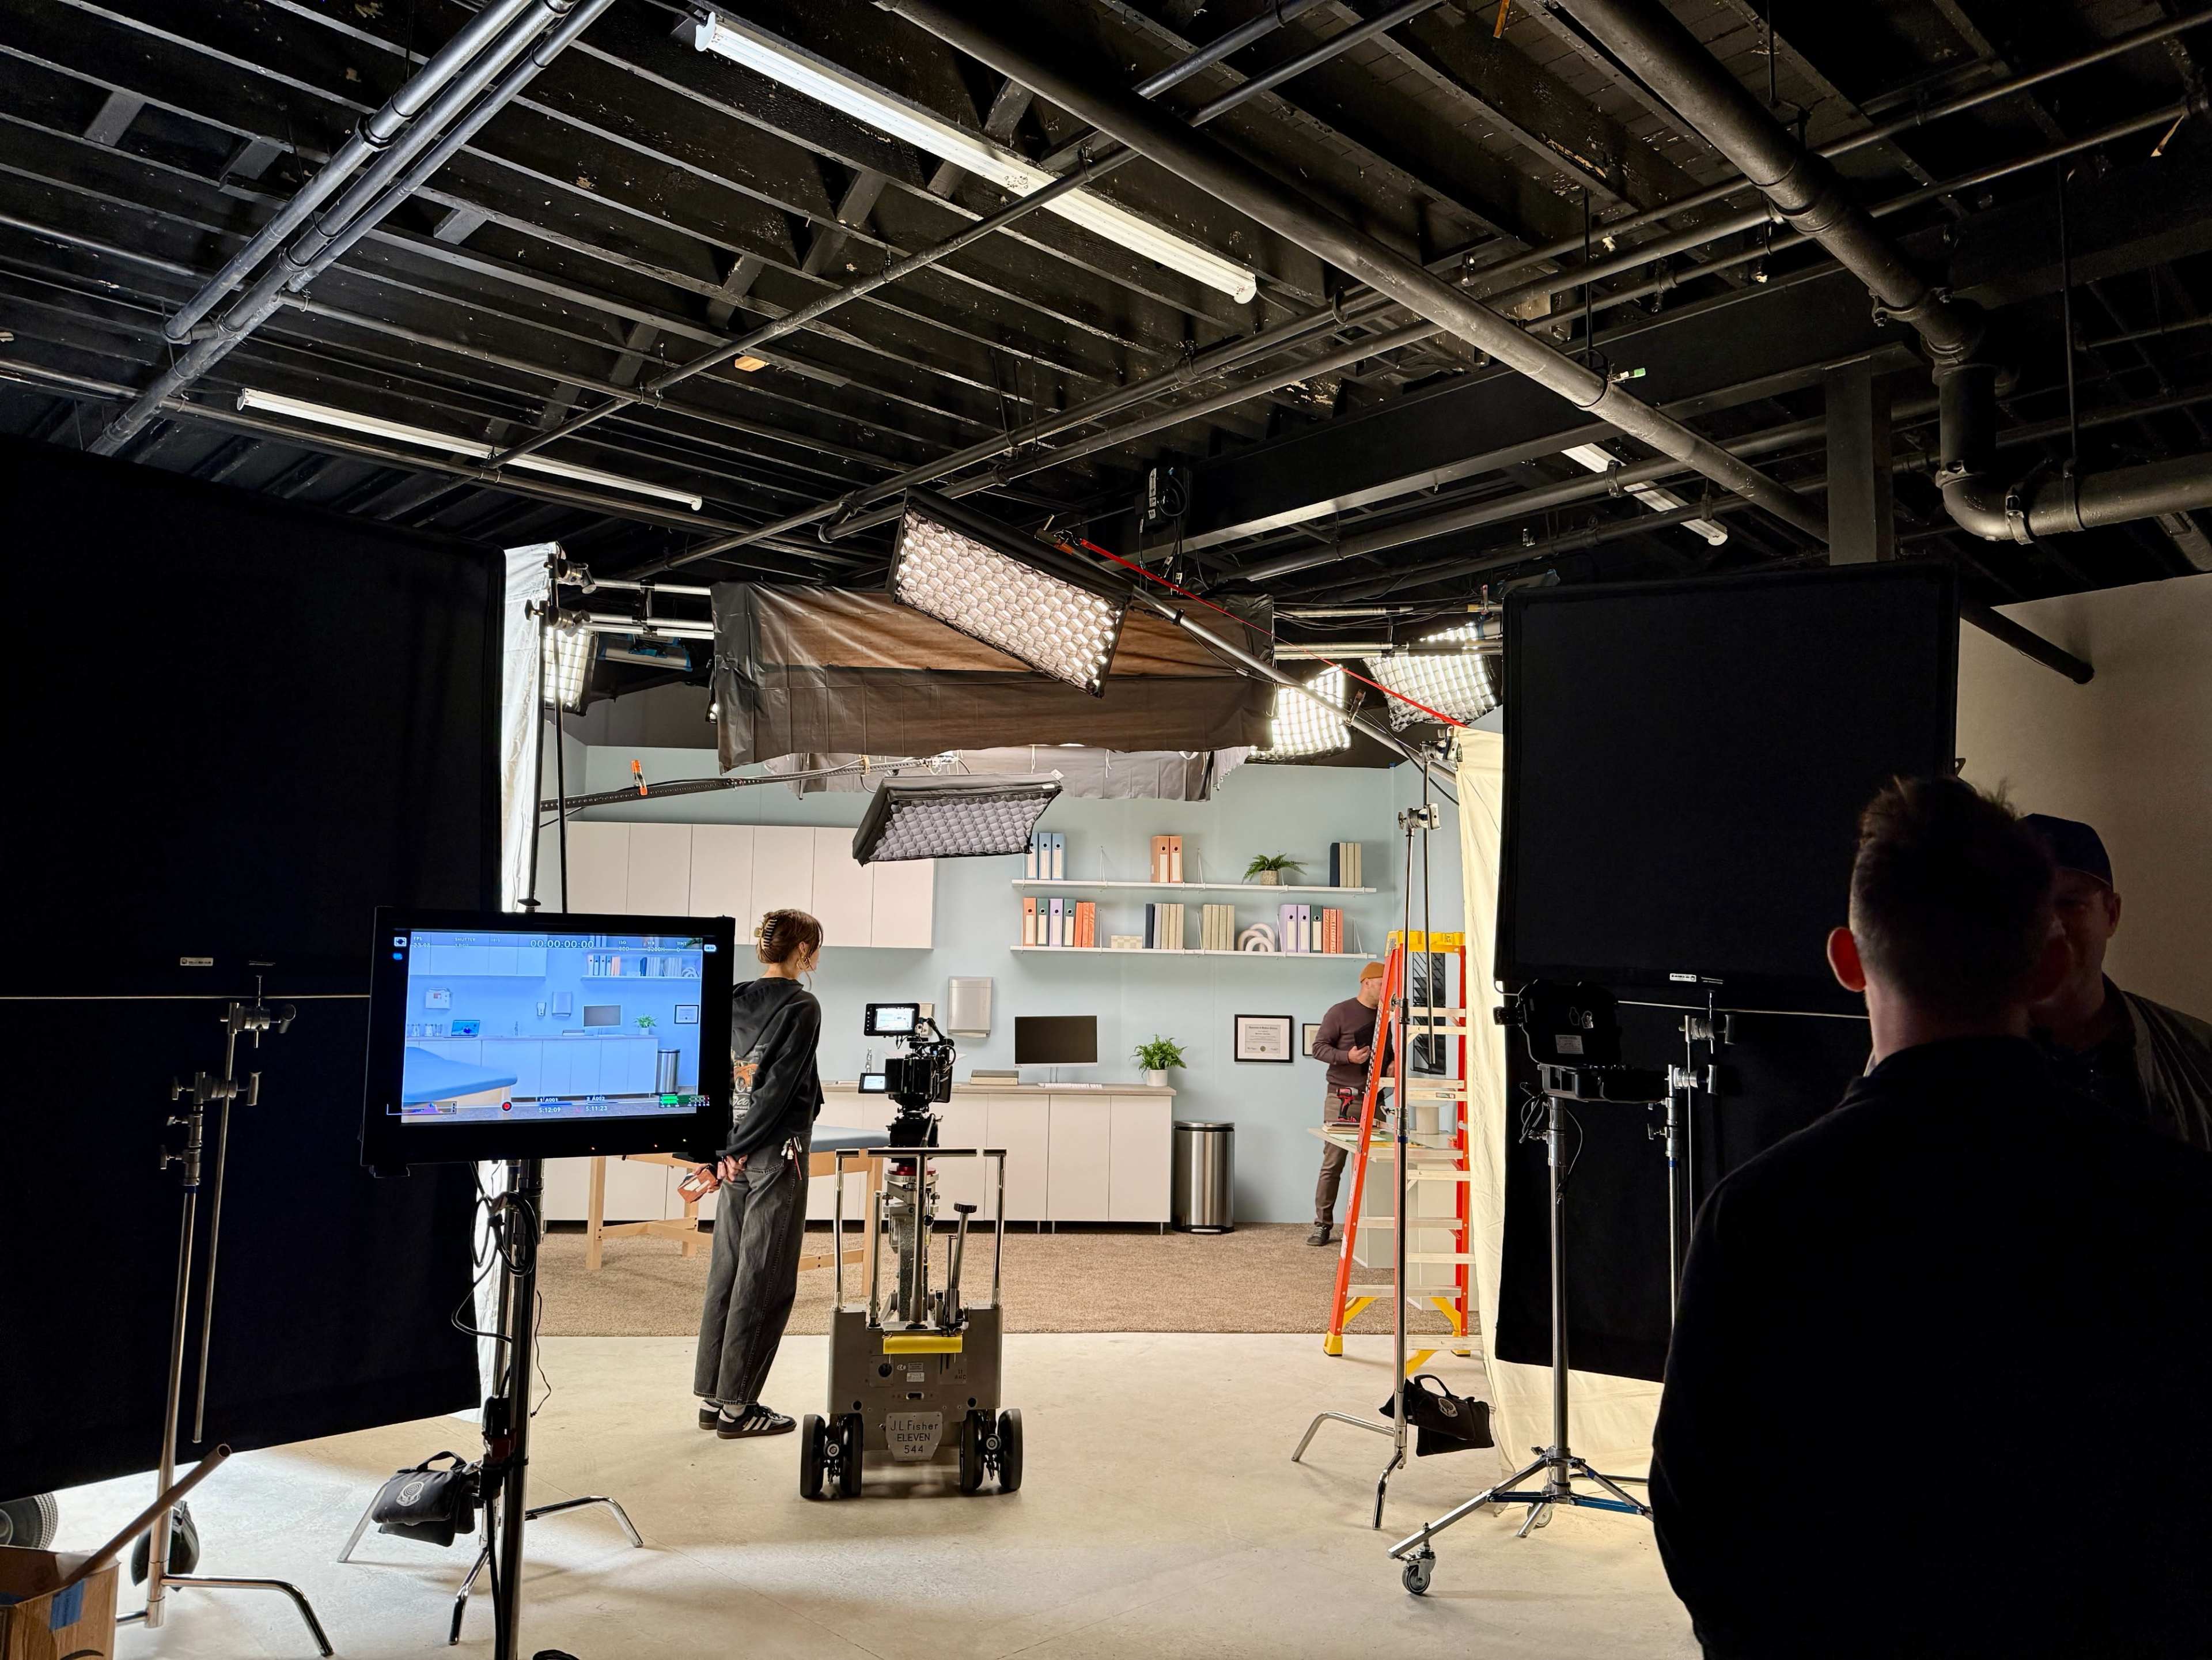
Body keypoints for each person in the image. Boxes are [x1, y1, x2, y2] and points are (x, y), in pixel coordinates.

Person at [1651, 777, 2212, 1660]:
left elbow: (1703, 1513)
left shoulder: (1763, 1215)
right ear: (2050, 963)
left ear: (1846, 959)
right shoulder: (2178, 1198)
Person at [687, 908, 825, 1439]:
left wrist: (721, 1150)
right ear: (804, 951)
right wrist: (744, 1146)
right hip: (775, 1153)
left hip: (731, 1154)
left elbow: (716, 1077)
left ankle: (713, 1394)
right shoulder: (802, 1005)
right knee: (765, 1276)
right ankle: (739, 1408)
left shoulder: (733, 995)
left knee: (727, 1267)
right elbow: (777, 1091)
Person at [2021, 812, 2212, 1151]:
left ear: (2111, 913)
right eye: (2025, 904)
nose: (2048, 923)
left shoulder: (2198, 1057)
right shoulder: (1956, 1064)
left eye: (2070, 903)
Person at [1308, 961, 1392, 1247]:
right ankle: (1322, 1225)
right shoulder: (1340, 1012)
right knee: (1333, 1164)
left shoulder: (1387, 1016)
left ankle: (1373, 1229)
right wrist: (1348, 1058)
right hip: (1342, 1099)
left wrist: (1390, 1068)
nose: (1387, 989)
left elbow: (1388, 1053)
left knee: (1377, 1166)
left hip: (1376, 1100)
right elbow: (1318, 1048)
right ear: (1367, 982)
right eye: (1383, 983)